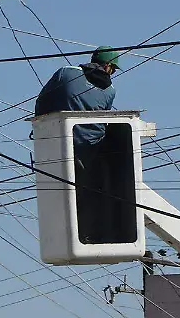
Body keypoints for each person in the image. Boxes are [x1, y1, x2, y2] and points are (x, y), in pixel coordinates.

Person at [34, 46, 130, 244]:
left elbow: (42, 101)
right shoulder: (110, 91)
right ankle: (92, 234)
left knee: (69, 194)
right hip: (91, 149)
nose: (113, 73)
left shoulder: (66, 73)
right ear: (108, 66)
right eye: (113, 69)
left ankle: (79, 233)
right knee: (93, 191)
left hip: (61, 142)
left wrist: (44, 127)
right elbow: (103, 118)